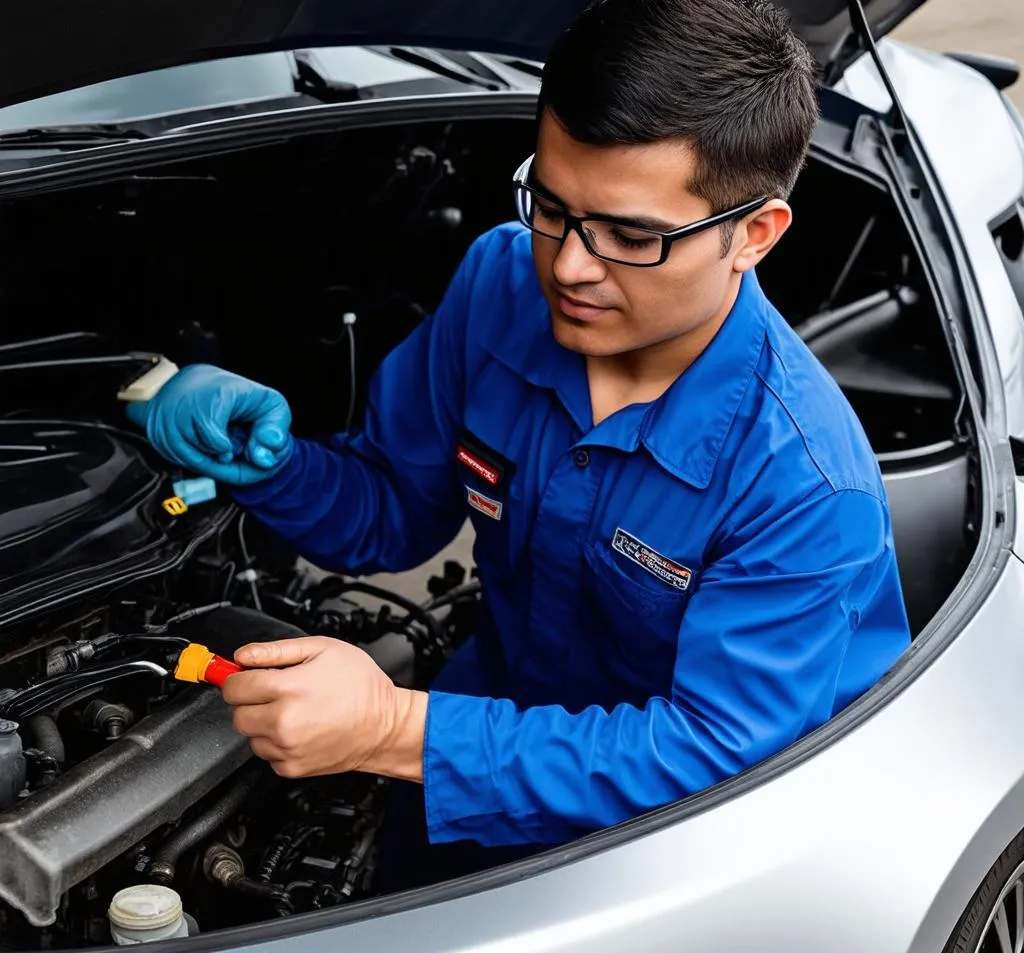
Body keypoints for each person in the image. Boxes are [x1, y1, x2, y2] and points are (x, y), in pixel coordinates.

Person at [127, 0, 910, 888]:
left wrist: (393, 729)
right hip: (477, 739)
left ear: (754, 236)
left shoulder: (805, 487)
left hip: (680, 850)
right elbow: (391, 514)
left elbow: (714, 754)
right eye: (553, 205)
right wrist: (268, 463)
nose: (570, 266)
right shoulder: (502, 282)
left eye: (630, 235)